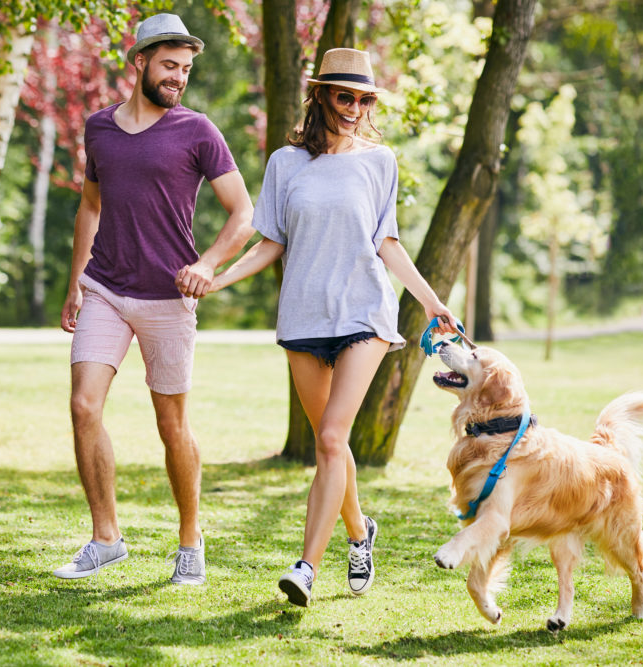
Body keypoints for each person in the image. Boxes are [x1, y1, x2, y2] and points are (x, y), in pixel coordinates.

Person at [176, 48, 459, 605]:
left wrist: (430, 302)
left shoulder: (380, 162)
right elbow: (270, 243)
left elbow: (387, 242)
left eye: (363, 99)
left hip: (364, 314)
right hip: (303, 315)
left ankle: (306, 567)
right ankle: (360, 531)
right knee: (333, 448)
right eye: (344, 96)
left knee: (331, 438)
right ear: (321, 96)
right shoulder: (286, 163)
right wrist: (215, 278)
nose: (354, 107)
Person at [54, 13, 254, 585]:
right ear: (138, 61)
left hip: (168, 297)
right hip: (106, 288)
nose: (178, 78)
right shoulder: (99, 129)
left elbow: (244, 213)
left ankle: (190, 543)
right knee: (84, 406)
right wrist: (75, 282)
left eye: (186, 69)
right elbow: (90, 206)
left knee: (172, 426)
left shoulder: (198, 131)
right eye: (169, 66)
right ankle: (105, 538)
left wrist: (207, 263)